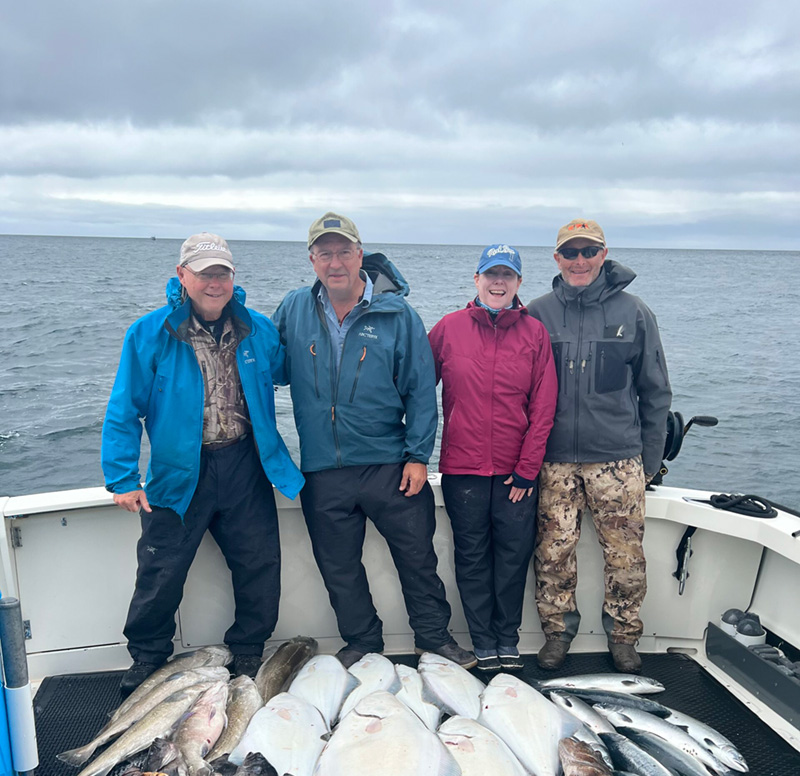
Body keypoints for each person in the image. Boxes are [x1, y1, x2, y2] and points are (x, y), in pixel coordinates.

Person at [102, 233, 303, 695]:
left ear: (233, 277)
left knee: (259, 563)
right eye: (205, 272)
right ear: (182, 276)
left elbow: (291, 371)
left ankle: (249, 647)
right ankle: (148, 656)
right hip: (178, 472)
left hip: (245, 464)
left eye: (223, 273)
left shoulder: (259, 328)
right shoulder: (149, 333)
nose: (215, 282)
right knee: (161, 569)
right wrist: (123, 477)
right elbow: (123, 409)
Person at [272, 211, 475, 669]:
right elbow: (270, 367)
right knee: (339, 568)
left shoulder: (397, 314)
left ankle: (434, 638)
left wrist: (419, 455)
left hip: (389, 463)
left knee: (417, 559)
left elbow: (422, 391)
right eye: (325, 253)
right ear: (312, 260)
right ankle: (363, 639)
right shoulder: (293, 308)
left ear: (360, 255)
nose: (335, 261)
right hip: (323, 469)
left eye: (344, 251)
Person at [527, 219, 672, 673]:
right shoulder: (536, 313)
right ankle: (557, 633)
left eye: (589, 251)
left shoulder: (635, 312)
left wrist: (649, 462)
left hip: (618, 461)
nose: (580, 260)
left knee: (626, 556)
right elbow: (521, 392)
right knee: (552, 553)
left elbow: (656, 392)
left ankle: (625, 636)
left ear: (603, 255)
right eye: (570, 252)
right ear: (557, 258)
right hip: (554, 461)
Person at [428, 244, 557, 672]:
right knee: (471, 557)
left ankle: (507, 638)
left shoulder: (534, 334)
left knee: (512, 557)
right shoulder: (448, 329)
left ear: (519, 283)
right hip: (462, 471)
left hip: (515, 476)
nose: (498, 282)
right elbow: (415, 389)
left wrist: (526, 470)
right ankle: (482, 639)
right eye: (490, 274)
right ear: (476, 279)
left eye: (507, 275)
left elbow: (543, 408)